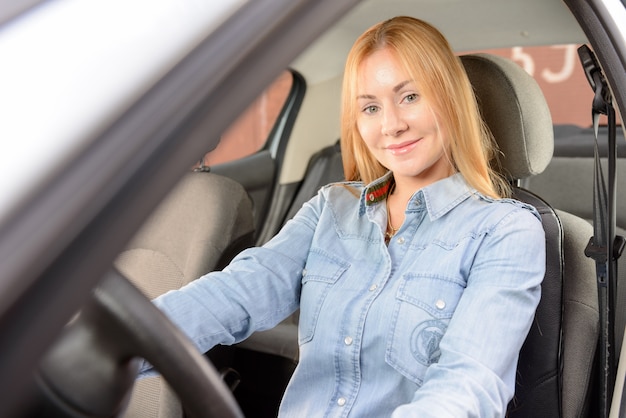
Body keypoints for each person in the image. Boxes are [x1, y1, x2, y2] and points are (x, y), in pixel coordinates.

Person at [142, 16, 545, 417]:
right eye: (370, 107)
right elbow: (236, 293)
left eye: (410, 97)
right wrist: (117, 342)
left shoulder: (505, 231)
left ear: (450, 97)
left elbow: (467, 387)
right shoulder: (330, 209)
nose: (392, 125)